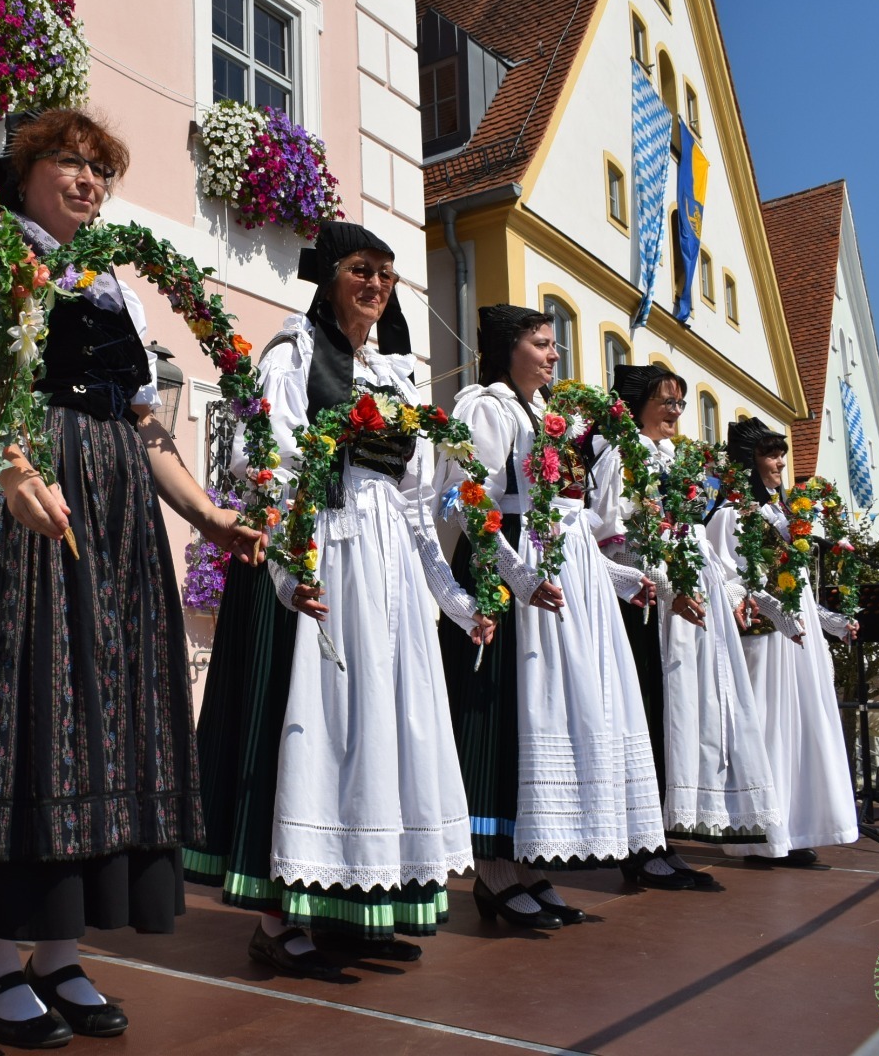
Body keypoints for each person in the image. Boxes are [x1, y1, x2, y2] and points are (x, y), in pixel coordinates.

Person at [0, 109, 263, 1048]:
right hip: (24, 494)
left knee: (98, 721)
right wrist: (15, 470)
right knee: (19, 710)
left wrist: (205, 513)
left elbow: (142, 423)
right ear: (22, 168)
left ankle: (58, 950)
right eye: (69, 162)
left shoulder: (108, 283)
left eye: (101, 169)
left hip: (114, 516)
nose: (88, 181)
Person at [187, 222, 490, 979]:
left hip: (384, 566)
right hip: (318, 548)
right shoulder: (292, 353)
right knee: (308, 725)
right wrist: (292, 565)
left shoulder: (393, 376)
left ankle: (357, 907)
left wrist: (454, 600)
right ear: (329, 278)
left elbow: (414, 500)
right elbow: (256, 459)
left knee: (380, 728)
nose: (376, 284)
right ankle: (277, 921)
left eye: (385, 273)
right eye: (361, 269)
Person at [436, 304, 665, 931]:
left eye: (552, 343)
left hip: (553, 574)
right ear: (507, 348)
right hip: (506, 569)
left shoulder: (546, 415)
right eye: (541, 343)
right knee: (505, 712)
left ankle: (531, 866)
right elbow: (466, 499)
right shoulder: (486, 407)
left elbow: (570, 524)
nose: (553, 354)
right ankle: (494, 873)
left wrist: (620, 580)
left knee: (549, 714)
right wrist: (516, 576)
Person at [586, 365, 781, 890]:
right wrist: (666, 587)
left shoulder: (676, 458)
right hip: (647, 603)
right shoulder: (620, 457)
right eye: (666, 401)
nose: (675, 411)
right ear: (638, 405)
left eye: (680, 402)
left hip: (692, 598)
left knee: (688, 714)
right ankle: (639, 844)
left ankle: (663, 838)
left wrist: (726, 591)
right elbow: (610, 538)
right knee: (652, 714)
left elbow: (695, 534)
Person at [706, 418, 860, 867]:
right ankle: (762, 835)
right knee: (769, 726)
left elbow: (800, 590)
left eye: (781, 455)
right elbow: (729, 582)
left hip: (796, 639)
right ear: (747, 463)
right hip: (765, 642)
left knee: (801, 725)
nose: (779, 464)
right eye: (769, 455)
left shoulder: (782, 515)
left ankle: (794, 826)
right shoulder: (731, 515)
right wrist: (776, 612)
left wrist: (830, 622)